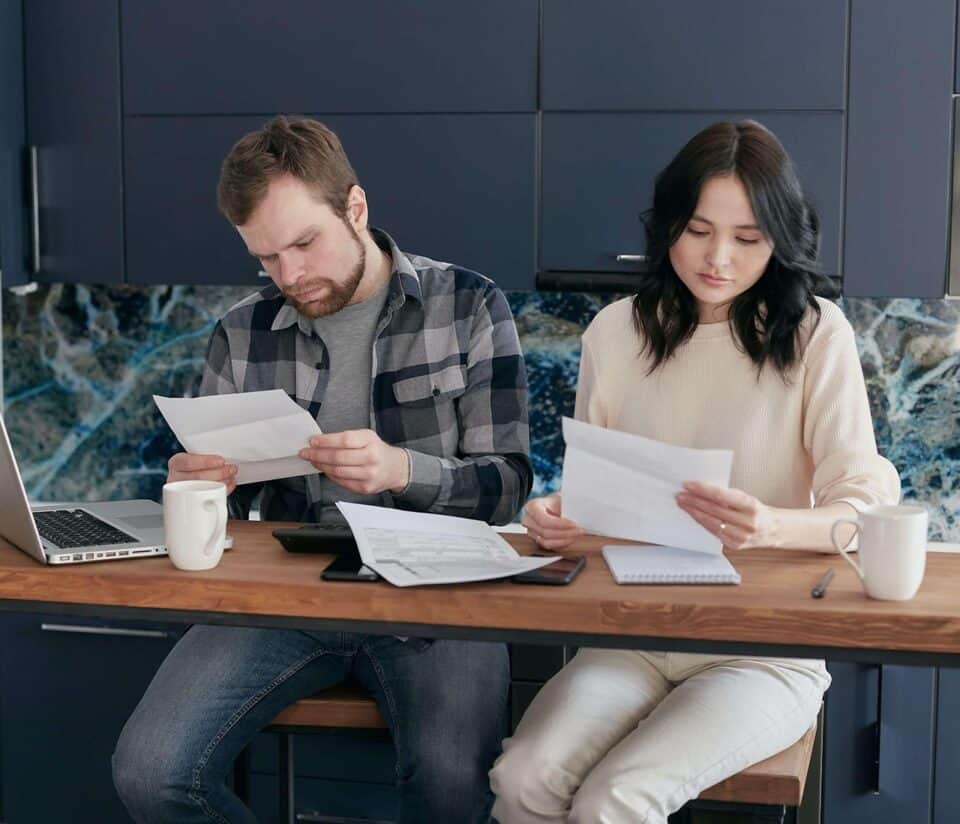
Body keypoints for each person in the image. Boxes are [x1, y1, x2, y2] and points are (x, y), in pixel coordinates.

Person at [112, 115, 532, 823]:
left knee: (451, 785)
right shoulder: (241, 331)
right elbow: (223, 502)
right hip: (285, 596)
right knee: (150, 772)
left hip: (440, 596)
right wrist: (197, 479)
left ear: (356, 208)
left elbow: (510, 487)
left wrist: (403, 469)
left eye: (304, 243)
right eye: (266, 258)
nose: (290, 275)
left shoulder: (468, 306)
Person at [489, 120, 901, 824]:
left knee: (614, 800)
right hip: (633, 636)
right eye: (697, 230)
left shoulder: (815, 334)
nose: (718, 259)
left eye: (747, 239)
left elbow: (864, 509)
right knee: (523, 777)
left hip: (764, 650)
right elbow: (599, 498)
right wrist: (559, 517)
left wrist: (770, 525)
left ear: (780, 238)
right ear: (667, 225)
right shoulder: (615, 333)